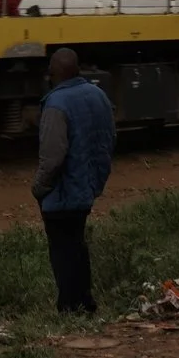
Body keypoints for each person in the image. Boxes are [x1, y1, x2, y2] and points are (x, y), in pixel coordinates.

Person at [32, 46, 114, 315]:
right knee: (77, 246)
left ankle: (69, 308)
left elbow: (53, 157)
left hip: (61, 193)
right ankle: (85, 302)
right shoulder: (98, 95)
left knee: (62, 251)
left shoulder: (56, 105)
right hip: (86, 189)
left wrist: (40, 188)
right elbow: (107, 140)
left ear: (52, 73)